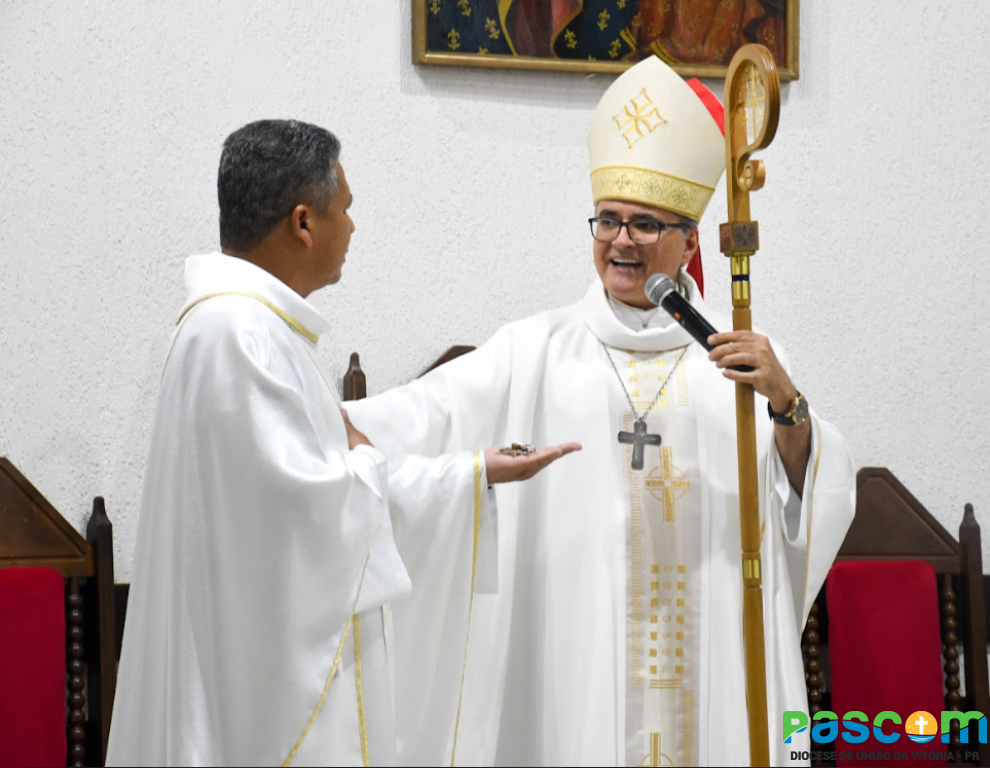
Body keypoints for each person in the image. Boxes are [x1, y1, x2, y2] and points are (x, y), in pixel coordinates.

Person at [346, 57, 855, 766]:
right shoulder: (533, 350)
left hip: (709, 675)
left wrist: (787, 403)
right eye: (609, 220)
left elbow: (805, 504)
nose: (622, 240)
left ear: (689, 240)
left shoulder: (735, 361)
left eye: (645, 223)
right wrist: (299, 417)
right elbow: (412, 421)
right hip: (567, 673)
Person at [106, 119, 578, 767]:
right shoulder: (238, 336)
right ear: (303, 223)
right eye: (345, 209)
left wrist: (472, 473)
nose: (352, 228)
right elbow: (311, 520)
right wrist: (361, 455)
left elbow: (315, 496)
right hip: (259, 704)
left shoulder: (252, 329)